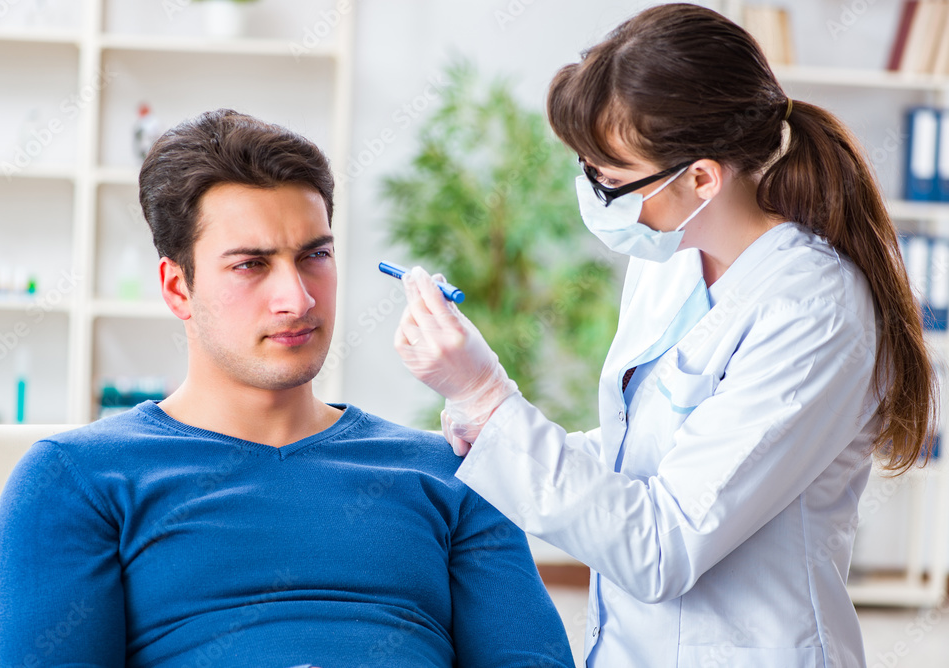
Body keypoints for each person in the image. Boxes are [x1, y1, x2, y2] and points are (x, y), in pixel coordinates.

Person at [393, 5, 938, 667]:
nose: (594, 196)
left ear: (702, 178)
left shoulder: (813, 309)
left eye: (612, 180)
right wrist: (490, 426)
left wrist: (488, 396)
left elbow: (663, 545)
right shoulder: (670, 258)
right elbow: (644, 452)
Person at [0, 109, 575, 668]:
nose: (298, 298)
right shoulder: (75, 479)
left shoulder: (452, 474)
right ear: (177, 288)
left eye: (314, 255)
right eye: (251, 264)